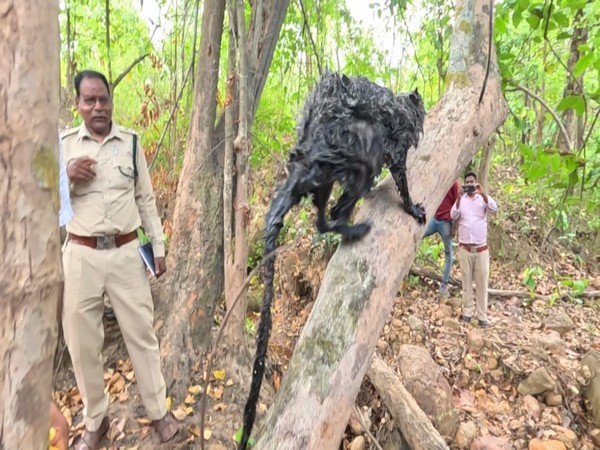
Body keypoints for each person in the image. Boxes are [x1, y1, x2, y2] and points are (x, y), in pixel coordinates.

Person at [60, 70, 178, 450]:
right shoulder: (63, 146)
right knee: (81, 344)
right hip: (80, 254)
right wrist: (66, 177)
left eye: (103, 99)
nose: (97, 106)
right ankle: (96, 420)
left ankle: (158, 411)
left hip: (128, 253)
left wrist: (157, 248)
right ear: (77, 104)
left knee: (142, 336)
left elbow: (146, 200)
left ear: (111, 101)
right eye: (89, 100)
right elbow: (48, 206)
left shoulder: (130, 143)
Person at [450, 171, 498, 327]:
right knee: (466, 282)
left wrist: (483, 193)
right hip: (465, 248)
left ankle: (482, 316)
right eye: (467, 182)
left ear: (476, 183)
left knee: (482, 282)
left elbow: (494, 208)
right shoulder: (461, 200)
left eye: (472, 182)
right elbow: (453, 215)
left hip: (481, 249)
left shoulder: (482, 199)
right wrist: (458, 198)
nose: (470, 185)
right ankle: (467, 312)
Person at [423, 180, 460, 296]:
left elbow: (458, 205)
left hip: (445, 222)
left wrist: (455, 227)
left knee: (449, 254)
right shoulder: (442, 179)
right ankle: (443, 286)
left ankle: (444, 286)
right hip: (435, 219)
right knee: (416, 238)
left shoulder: (454, 183)